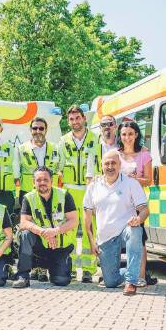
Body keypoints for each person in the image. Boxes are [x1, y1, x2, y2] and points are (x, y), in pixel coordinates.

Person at [84, 150, 149, 296]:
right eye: (107, 163)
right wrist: (91, 241)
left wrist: (138, 219)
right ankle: (135, 271)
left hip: (125, 231)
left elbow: (144, 209)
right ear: (101, 166)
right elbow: (87, 218)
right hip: (105, 239)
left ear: (120, 165)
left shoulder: (131, 183)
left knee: (135, 230)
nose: (110, 166)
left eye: (114, 163)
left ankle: (131, 282)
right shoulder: (93, 186)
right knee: (111, 282)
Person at [14, 166, 79, 288]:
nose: (42, 183)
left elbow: (74, 221)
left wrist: (55, 231)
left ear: (52, 181)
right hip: (40, 248)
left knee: (61, 281)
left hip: (59, 247)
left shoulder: (64, 195)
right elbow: (24, 222)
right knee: (25, 234)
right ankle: (23, 275)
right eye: (38, 180)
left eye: (45, 179)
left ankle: (59, 266)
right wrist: (44, 232)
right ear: (33, 182)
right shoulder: (28, 198)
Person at [57, 105, 99, 283]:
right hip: (70, 189)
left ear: (84, 119)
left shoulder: (96, 139)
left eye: (78, 118)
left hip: (91, 189)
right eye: (72, 119)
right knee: (69, 230)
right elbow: (57, 168)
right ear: (69, 122)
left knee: (90, 228)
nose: (75, 122)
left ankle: (89, 269)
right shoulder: (63, 141)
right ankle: (71, 267)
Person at [18, 117, 61, 281]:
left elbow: (59, 170)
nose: (37, 131)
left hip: (49, 195)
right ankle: (33, 267)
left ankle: (44, 268)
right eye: (34, 128)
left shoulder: (55, 149)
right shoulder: (21, 149)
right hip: (28, 196)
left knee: (48, 228)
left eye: (41, 128)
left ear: (46, 130)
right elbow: (17, 173)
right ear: (30, 130)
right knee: (30, 232)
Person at [117, 120, 157, 286]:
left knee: (139, 239)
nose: (127, 138)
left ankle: (140, 276)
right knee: (117, 236)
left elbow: (149, 180)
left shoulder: (144, 155)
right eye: (124, 134)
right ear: (120, 136)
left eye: (130, 134)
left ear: (136, 135)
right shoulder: (115, 154)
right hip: (119, 202)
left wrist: (135, 180)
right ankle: (119, 274)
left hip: (137, 203)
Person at [85, 115, 119, 182]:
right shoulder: (93, 146)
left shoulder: (122, 144)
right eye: (103, 124)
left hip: (120, 185)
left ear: (115, 126)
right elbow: (89, 174)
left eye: (110, 124)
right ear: (100, 127)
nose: (107, 127)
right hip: (101, 187)